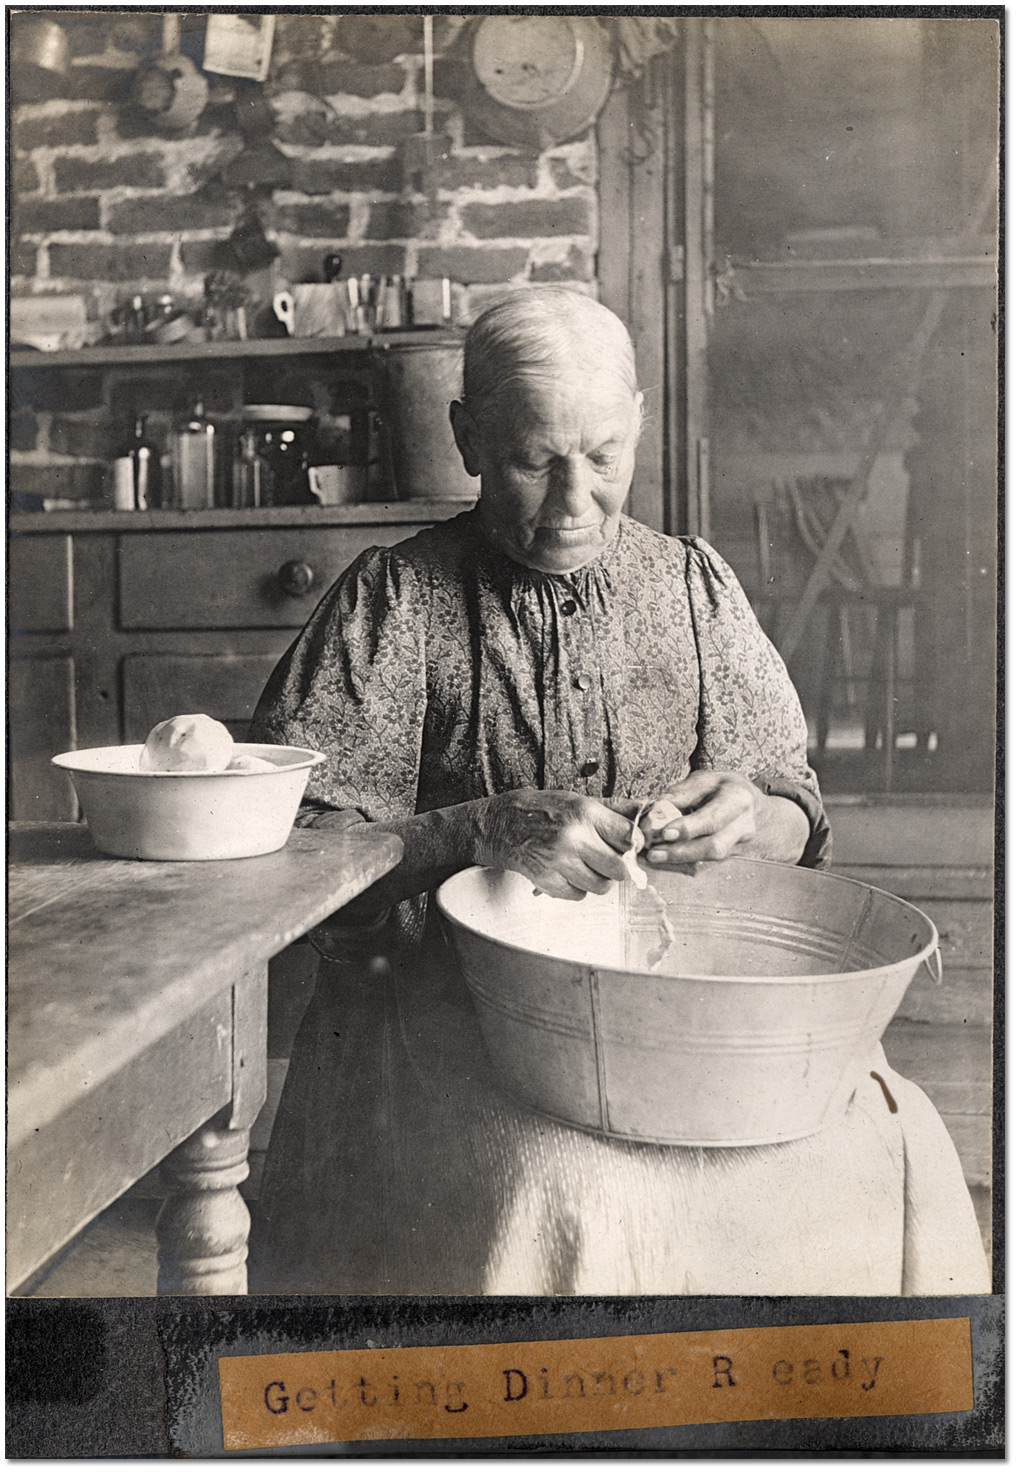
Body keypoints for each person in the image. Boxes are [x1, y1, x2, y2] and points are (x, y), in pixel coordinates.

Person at [248, 286, 988, 1296]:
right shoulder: (397, 601)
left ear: (638, 423)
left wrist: (756, 817)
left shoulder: (692, 587)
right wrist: (479, 829)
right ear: (467, 438)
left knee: (896, 1142)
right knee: (571, 1187)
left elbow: (794, 810)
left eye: (603, 457)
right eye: (532, 459)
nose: (573, 502)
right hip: (438, 1023)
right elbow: (287, 859)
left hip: (685, 1023)